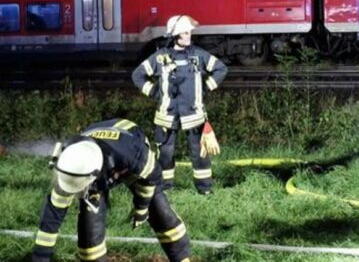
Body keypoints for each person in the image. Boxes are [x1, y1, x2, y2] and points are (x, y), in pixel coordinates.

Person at [32, 118, 191, 262]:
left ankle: (182, 257)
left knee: (160, 213)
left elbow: (152, 177)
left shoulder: (133, 153)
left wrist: (142, 207)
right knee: (89, 241)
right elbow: (50, 222)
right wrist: (40, 258)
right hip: (95, 160)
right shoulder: (71, 165)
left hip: (129, 148)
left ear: (94, 175)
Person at [132, 15, 228, 194]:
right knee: (166, 154)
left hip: (194, 115)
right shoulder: (160, 58)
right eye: (185, 32)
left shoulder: (198, 55)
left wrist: (205, 87)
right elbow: (137, 75)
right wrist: (154, 92)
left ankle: (205, 189)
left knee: (200, 153)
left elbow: (221, 69)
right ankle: (164, 189)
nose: (189, 35)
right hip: (166, 116)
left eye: (189, 32)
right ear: (175, 35)